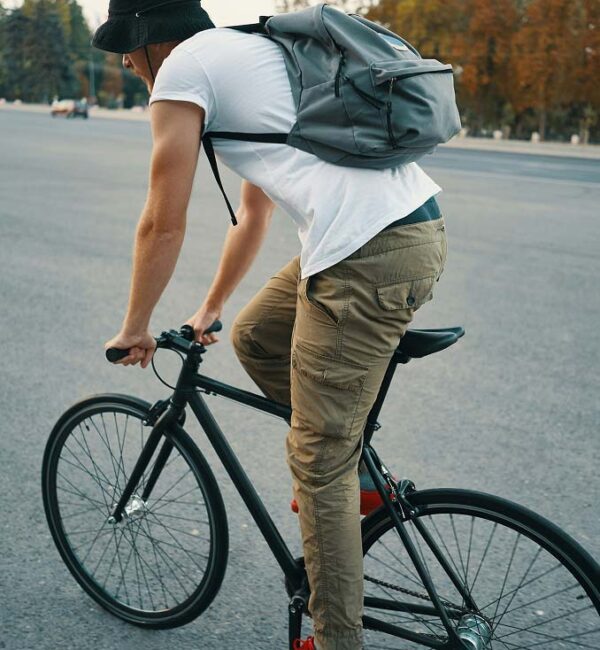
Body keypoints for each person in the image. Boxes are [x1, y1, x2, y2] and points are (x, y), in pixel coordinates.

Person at [95, 1, 448, 648]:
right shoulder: (249, 50)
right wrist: (210, 307)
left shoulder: (182, 71)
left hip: (365, 253)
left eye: (125, 45)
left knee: (318, 462)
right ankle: (362, 477)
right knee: (255, 335)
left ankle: (334, 637)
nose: (123, 60)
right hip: (404, 233)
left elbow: (162, 222)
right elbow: (252, 215)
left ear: (149, 39)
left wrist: (135, 327)